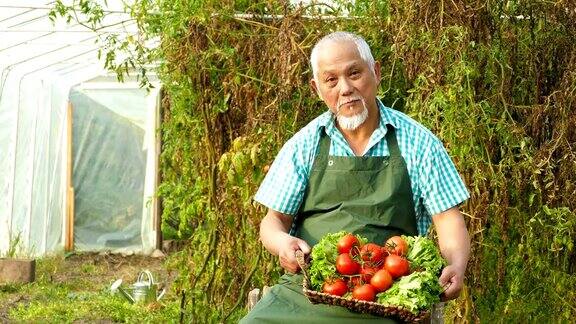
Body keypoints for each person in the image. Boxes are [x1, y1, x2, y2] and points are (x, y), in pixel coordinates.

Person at [240, 31, 470, 323]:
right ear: (317, 89)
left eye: (354, 73)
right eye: (331, 80)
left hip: (388, 293)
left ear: (376, 73)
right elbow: (273, 222)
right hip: (307, 291)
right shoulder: (305, 144)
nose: (346, 88)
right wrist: (282, 243)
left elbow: (448, 219)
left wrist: (456, 265)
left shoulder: (419, 142)